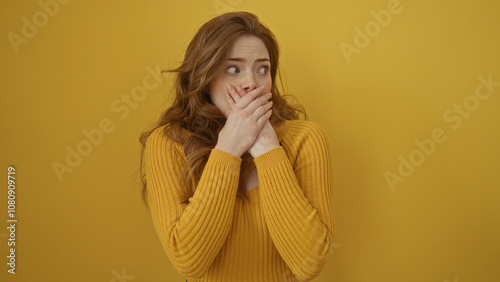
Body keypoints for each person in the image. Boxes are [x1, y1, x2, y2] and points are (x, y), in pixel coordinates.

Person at [138, 11, 334, 281]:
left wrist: (267, 149)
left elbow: (310, 263)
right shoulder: (168, 143)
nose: (251, 83)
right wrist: (229, 148)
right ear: (205, 77)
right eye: (234, 69)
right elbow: (189, 260)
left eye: (262, 69)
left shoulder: (305, 139)